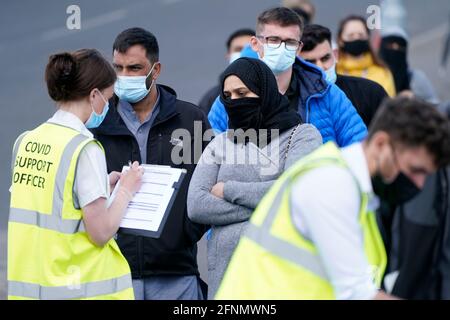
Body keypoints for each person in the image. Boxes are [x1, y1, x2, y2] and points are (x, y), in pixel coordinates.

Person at [216, 97, 450, 300]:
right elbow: (358, 294)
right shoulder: (331, 184)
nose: (420, 184)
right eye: (415, 170)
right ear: (381, 144)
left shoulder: (354, 189)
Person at [8, 49, 143, 300]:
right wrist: (126, 188)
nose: (108, 106)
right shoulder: (84, 148)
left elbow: (56, 202)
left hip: (33, 289)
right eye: (108, 98)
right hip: (80, 291)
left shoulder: (26, 141)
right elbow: (101, 232)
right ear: (94, 95)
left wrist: (102, 184)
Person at [91, 28, 210, 300]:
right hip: (114, 273)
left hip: (176, 275)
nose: (125, 76)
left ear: (155, 70)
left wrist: (182, 236)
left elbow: (205, 185)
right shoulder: (98, 121)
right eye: (118, 68)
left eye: (134, 68)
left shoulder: (190, 119)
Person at [187, 57, 322, 298]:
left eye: (242, 92)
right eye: (228, 96)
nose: (235, 101)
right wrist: (270, 203)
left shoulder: (302, 136)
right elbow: (196, 205)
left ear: (264, 91)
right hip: (227, 281)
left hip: (279, 276)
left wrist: (228, 189)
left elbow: (295, 194)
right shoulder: (221, 143)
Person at [208, 7, 367, 147]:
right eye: (274, 40)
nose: (282, 48)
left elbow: (358, 147)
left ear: (298, 49)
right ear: (255, 44)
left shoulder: (327, 93)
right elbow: (209, 156)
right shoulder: (231, 96)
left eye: (290, 42)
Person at [300, 24, 388, 126]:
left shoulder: (371, 92)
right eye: (310, 62)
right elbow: (276, 140)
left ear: (335, 55)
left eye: (325, 58)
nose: (320, 67)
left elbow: (395, 134)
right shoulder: (284, 101)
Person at [336, 15, 396, 97]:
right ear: (340, 40)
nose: (356, 38)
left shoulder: (382, 72)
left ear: (368, 38)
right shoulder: (333, 72)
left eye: (361, 35)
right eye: (351, 35)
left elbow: (387, 105)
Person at [198, 28, 255, 114]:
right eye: (238, 49)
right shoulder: (212, 98)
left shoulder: (275, 92)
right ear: (228, 55)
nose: (244, 53)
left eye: (249, 49)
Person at [379, 31, 439, 104]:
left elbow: (435, 106)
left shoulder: (416, 78)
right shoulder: (371, 75)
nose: (395, 50)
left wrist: (415, 100)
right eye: (390, 46)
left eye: (400, 47)